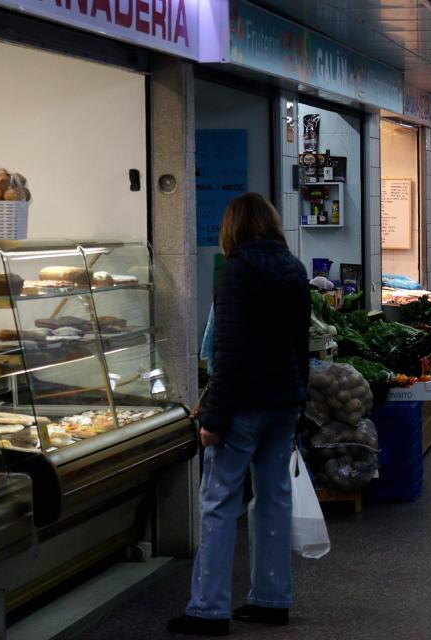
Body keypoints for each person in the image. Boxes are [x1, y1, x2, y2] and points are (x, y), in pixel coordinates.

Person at [168, 193, 310, 636]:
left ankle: (208, 608)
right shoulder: (294, 268)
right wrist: (299, 399)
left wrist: (213, 418)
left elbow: (228, 352)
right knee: (273, 498)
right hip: (284, 401)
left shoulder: (236, 272)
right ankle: (271, 599)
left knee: (218, 502)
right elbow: (300, 344)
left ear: (232, 229)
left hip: (244, 404)